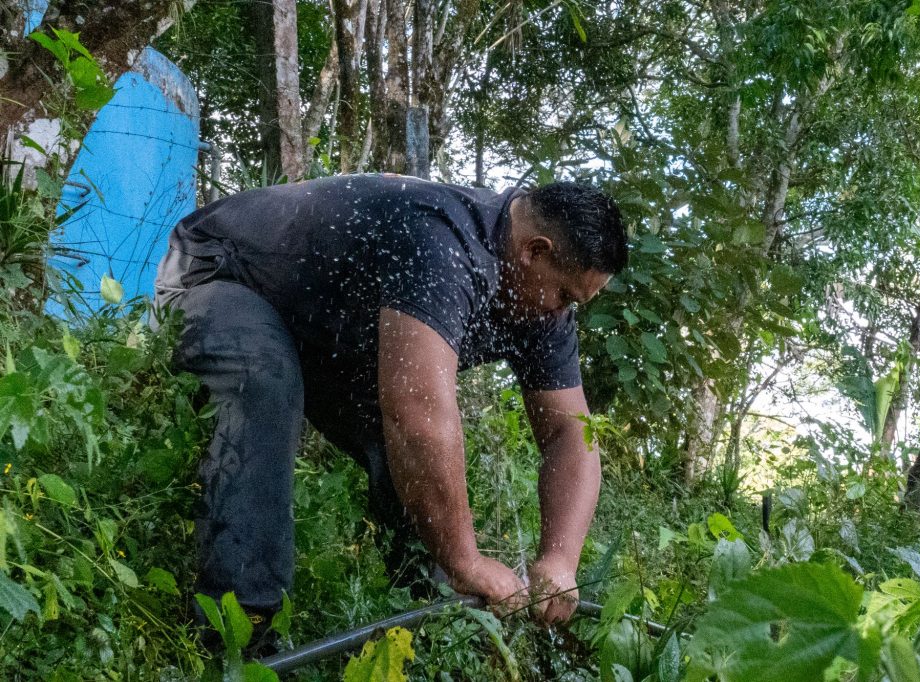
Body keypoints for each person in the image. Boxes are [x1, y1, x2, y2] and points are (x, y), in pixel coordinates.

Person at [150, 173, 628, 635]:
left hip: (328, 327)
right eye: (564, 295)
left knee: (404, 452)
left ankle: (438, 619)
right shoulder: (443, 241)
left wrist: (559, 560)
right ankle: (242, 630)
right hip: (221, 273)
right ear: (534, 251)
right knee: (265, 381)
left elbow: (570, 433)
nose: (563, 311)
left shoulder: (544, 306)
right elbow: (418, 412)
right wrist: (466, 560)